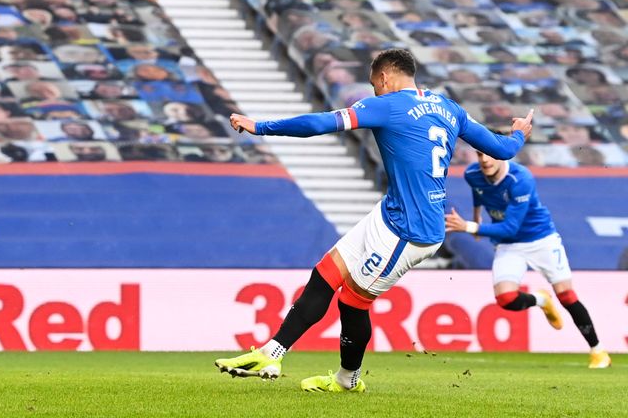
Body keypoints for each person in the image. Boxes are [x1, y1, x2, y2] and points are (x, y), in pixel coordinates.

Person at [214, 49, 534, 392]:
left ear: (384, 78)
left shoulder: (387, 104)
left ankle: (347, 380)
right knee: (325, 273)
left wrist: (260, 126)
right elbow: (503, 150)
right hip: (390, 212)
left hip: (411, 231)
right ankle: (271, 352)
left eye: (374, 85)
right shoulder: (448, 107)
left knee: (352, 301)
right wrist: (518, 133)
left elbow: (321, 122)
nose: (374, 92)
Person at [444, 152, 611, 369]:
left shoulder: (520, 179)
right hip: (509, 245)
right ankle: (541, 300)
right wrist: (477, 216)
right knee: (505, 299)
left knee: (567, 296)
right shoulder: (472, 173)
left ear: (502, 156)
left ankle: (598, 352)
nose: (484, 160)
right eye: (479, 154)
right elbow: (480, 193)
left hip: (540, 239)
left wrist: (470, 226)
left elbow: (511, 226)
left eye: (490, 155)